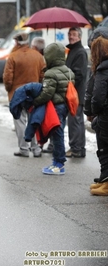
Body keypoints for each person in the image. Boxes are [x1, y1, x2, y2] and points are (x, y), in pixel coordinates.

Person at [33, 42, 74, 175]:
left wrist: (36, 101)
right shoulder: (69, 71)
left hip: (55, 107)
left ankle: (59, 163)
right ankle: (57, 161)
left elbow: (47, 93)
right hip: (65, 105)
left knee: (57, 134)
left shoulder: (51, 73)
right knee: (59, 133)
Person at [3, 32, 45, 157]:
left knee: (20, 121)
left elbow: (7, 78)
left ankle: (24, 148)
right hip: (34, 93)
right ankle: (36, 148)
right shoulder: (37, 56)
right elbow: (43, 74)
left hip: (17, 94)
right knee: (33, 120)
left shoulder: (13, 56)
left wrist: (9, 89)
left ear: (16, 42)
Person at [85, 28, 108, 195]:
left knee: (105, 147)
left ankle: (106, 184)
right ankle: (105, 180)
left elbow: (97, 96)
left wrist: (94, 111)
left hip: (105, 114)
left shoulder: (102, 69)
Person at [65, 27, 88, 158]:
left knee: (75, 121)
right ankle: (77, 147)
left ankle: (77, 148)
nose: (71, 37)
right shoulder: (73, 50)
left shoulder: (80, 52)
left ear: (79, 37)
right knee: (74, 121)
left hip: (75, 93)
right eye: (69, 34)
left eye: (74, 34)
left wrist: (67, 77)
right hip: (73, 92)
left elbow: (78, 74)